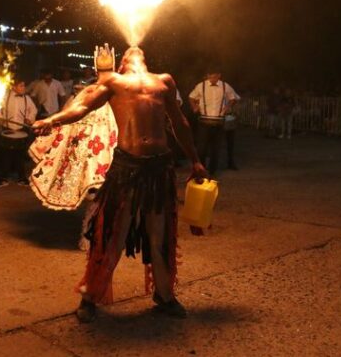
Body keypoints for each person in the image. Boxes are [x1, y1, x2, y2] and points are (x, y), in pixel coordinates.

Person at [33, 46, 207, 323]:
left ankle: (165, 295)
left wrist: (196, 160)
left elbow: (180, 122)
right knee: (111, 234)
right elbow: (82, 107)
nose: (134, 49)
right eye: (128, 52)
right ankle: (90, 296)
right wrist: (52, 120)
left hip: (161, 167)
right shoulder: (113, 81)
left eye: (137, 49)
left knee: (159, 235)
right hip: (127, 167)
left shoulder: (164, 80)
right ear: (122, 62)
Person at [29, 47, 119, 250]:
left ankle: (101, 238)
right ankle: (92, 239)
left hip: (109, 152)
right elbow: (68, 116)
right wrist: (49, 124)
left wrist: (49, 123)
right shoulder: (89, 92)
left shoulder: (113, 93)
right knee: (100, 197)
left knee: (106, 197)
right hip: (90, 154)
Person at [189, 70, 239, 176]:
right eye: (210, 77)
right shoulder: (201, 86)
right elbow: (191, 97)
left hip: (219, 122)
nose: (212, 80)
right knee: (201, 148)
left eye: (214, 77)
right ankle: (202, 170)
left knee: (215, 148)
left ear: (219, 76)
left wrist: (227, 107)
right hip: (204, 121)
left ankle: (212, 172)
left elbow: (233, 98)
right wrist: (194, 106)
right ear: (207, 76)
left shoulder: (225, 86)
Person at [0, 81, 37, 188]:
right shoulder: (5, 98)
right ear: (13, 87)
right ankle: (3, 179)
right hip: (8, 129)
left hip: (22, 129)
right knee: (6, 155)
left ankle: (22, 178)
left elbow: (33, 110)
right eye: (21, 85)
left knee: (20, 155)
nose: (23, 87)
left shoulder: (27, 98)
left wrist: (30, 119)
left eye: (24, 85)